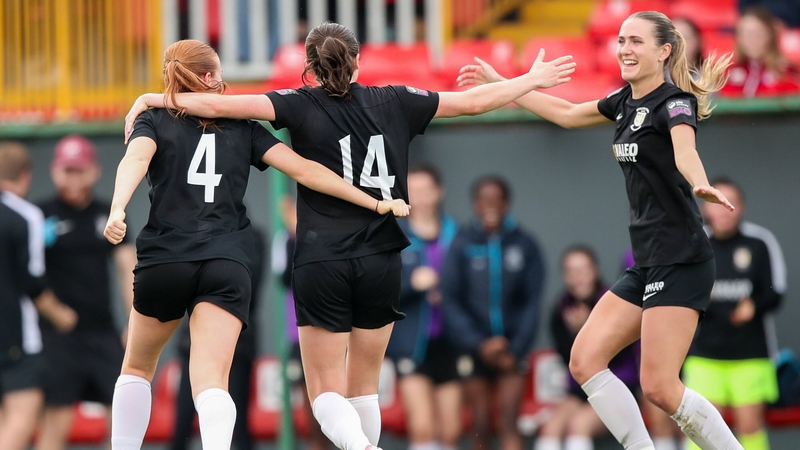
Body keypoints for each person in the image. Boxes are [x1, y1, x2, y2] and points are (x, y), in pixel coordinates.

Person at [123, 21, 575, 450]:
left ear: (309, 67)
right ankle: (366, 440)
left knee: (324, 391)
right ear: (357, 61)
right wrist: (530, 79)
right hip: (382, 255)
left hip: (322, 257)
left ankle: (358, 443)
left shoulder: (298, 103)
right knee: (365, 388)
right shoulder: (398, 98)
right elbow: (474, 102)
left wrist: (151, 97)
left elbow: (217, 105)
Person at [458, 10, 744, 450]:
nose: (625, 49)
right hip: (648, 263)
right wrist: (504, 81)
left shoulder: (674, 102)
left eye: (636, 42)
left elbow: (685, 150)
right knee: (585, 359)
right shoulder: (624, 101)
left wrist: (699, 181)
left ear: (664, 51)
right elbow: (568, 114)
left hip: (681, 260)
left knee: (660, 387)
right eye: (621, 40)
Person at [105, 39, 411, 450]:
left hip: (166, 257)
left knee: (138, 367)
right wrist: (374, 201)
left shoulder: (154, 118)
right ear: (211, 77)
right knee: (212, 380)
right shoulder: (244, 127)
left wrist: (117, 208)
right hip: (227, 261)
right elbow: (307, 171)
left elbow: (135, 161)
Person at [34, 135, 137, 450]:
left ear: (94, 171)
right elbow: (28, 275)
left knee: (121, 421)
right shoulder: (41, 215)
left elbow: (126, 268)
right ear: (54, 171)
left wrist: (134, 323)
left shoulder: (109, 213)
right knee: (57, 422)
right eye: (67, 170)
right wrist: (53, 312)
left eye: (80, 170)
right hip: (58, 336)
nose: (73, 178)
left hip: (103, 332)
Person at [440, 176, 546, 450]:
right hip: (474, 349)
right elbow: (450, 300)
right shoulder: (461, 243)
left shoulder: (525, 244)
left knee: (510, 422)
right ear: (475, 204)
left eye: (496, 199)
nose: (490, 206)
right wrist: (480, 344)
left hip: (513, 350)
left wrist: (515, 348)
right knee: (481, 424)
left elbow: (532, 301)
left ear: (506, 203)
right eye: (484, 199)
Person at [683, 177, 786, 450]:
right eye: (714, 203)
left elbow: (776, 292)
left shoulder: (760, 242)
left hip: (750, 354)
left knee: (750, 425)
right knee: (699, 426)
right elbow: (681, 292)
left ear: (740, 207)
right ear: (705, 209)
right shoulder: (695, 243)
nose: (721, 210)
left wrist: (754, 306)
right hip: (704, 354)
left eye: (729, 203)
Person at [170, 224, 267, 450]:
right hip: (196, 344)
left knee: (237, 421)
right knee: (183, 420)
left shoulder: (252, 237)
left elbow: (246, 291)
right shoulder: (195, 231)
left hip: (238, 345)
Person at [386, 164, 463, 450]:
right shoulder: (392, 235)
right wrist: (411, 283)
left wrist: (446, 292)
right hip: (410, 342)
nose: (419, 197)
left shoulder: (457, 234)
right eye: (413, 191)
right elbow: (377, 288)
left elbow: (470, 287)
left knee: (451, 430)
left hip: (450, 341)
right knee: (422, 427)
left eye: (426, 190)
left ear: (439, 192)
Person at [0, 142, 69, 450]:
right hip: (15, 338)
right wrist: (62, 316)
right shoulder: (25, 215)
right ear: (26, 177)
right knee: (20, 419)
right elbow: (33, 282)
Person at [536, 245, 639, 450]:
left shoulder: (613, 302)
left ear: (595, 271)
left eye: (583, 270)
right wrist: (574, 335)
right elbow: (568, 358)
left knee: (578, 426)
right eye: (571, 272)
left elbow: (614, 357)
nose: (578, 278)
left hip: (617, 388)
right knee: (550, 428)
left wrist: (584, 331)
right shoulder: (562, 307)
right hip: (580, 391)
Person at [270, 193, 330, 450]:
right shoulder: (284, 240)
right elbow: (286, 277)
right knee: (310, 398)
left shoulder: (331, 232)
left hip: (335, 327)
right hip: (300, 332)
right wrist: (296, 234)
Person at [720, 6, 800, 97]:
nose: (751, 40)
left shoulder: (786, 72)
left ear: (770, 35)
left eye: (757, 33)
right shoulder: (727, 73)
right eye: (745, 34)